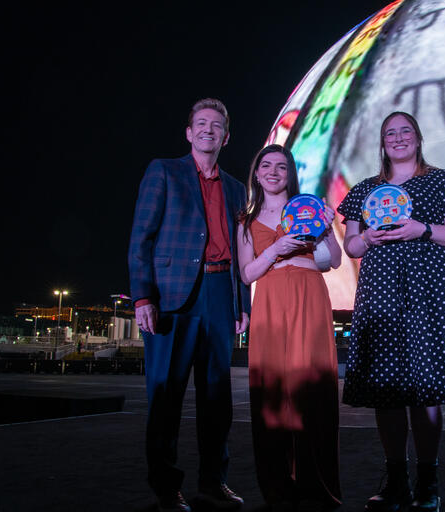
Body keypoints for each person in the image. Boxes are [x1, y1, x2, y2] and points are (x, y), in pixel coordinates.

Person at [337, 111, 445, 512]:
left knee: (425, 388)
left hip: (431, 294)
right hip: (383, 294)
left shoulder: (441, 181)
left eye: (405, 132)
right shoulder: (366, 190)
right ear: (383, 142)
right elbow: (352, 247)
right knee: (387, 390)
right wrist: (367, 236)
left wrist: (422, 229)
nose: (398, 138)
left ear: (418, 138)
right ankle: (396, 480)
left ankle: (428, 483)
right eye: (390, 133)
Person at [128, 98, 249, 512]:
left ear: (226, 137)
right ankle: (166, 488)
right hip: (172, 298)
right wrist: (143, 296)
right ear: (188, 132)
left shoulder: (236, 188)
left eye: (216, 126)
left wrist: (241, 303)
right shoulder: (163, 171)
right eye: (201, 124)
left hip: (219, 295)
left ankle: (213, 483)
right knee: (166, 397)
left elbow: (242, 249)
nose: (208, 130)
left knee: (217, 399)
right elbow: (141, 238)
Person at [237, 144, 343, 512]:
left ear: (290, 173)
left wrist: (327, 229)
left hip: (309, 296)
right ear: (256, 172)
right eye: (266, 165)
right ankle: (278, 489)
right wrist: (277, 248)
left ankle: (317, 488)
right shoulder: (246, 220)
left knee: (311, 390)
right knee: (272, 393)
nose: (273, 172)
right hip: (269, 301)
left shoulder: (308, 209)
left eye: (281, 167)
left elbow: (333, 262)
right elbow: (247, 273)